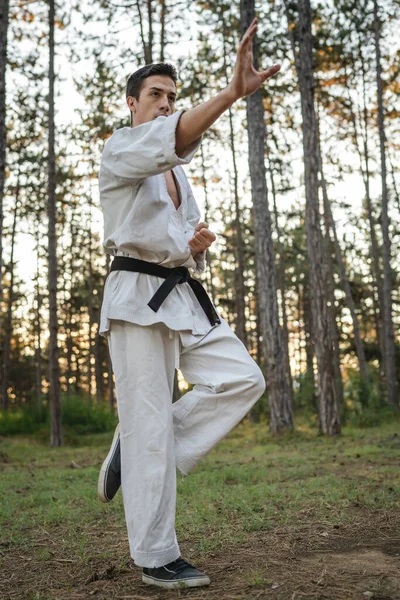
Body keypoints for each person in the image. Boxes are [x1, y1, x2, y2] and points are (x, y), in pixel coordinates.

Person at [97, 17, 280, 590]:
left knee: (243, 379)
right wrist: (230, 93)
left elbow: (182, 236)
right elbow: (174, 137)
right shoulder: (122, 150)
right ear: (133, 102)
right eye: (156, 95)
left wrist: (194, 246)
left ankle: (139, 436)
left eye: (171, 96)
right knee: (149, 426)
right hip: (134, 302)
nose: (165, 104)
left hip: (181, 296)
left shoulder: (180, 176)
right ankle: (156, 556)